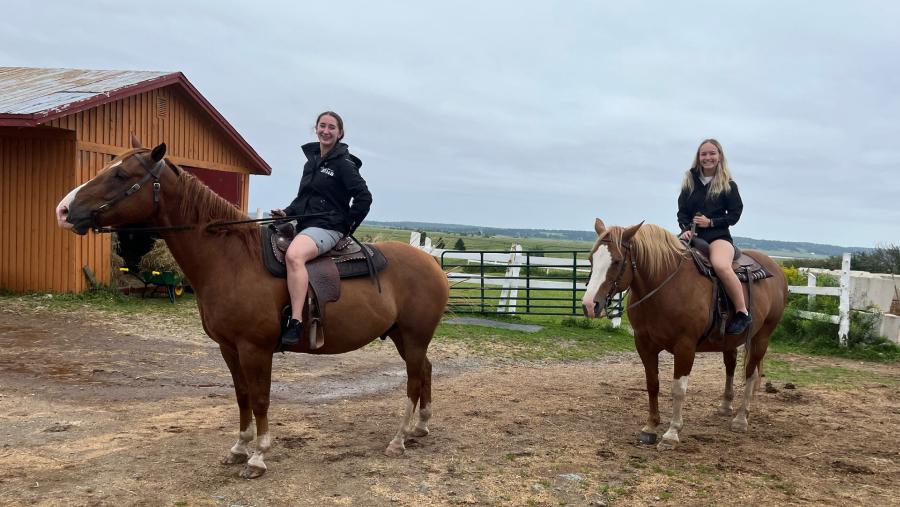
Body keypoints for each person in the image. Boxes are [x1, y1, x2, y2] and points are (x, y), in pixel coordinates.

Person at [271, 111, 372, 348]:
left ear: (340, 133)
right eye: (322, 126)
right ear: (315, 128)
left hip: (328, 228)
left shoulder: (344, 164)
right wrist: (286, 212)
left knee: (294, 256)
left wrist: (346, 225)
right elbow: (303, 199)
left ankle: (295, 322)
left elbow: (364, 198)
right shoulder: (312, 162)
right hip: (306, 224)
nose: (326, 131)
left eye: (332, 127)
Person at [677, 138, 751, 335]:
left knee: (720, 265)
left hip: (718, 237)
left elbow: (735, 215)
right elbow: (682, 212)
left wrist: (711, 222)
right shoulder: (689, 182)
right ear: (698, 157)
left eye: (712, 153)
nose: (707, 157)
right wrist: (685, 228)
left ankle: (742, 312)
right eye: (704, 154)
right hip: (691, 236)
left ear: (719, 157)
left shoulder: (728, 185)